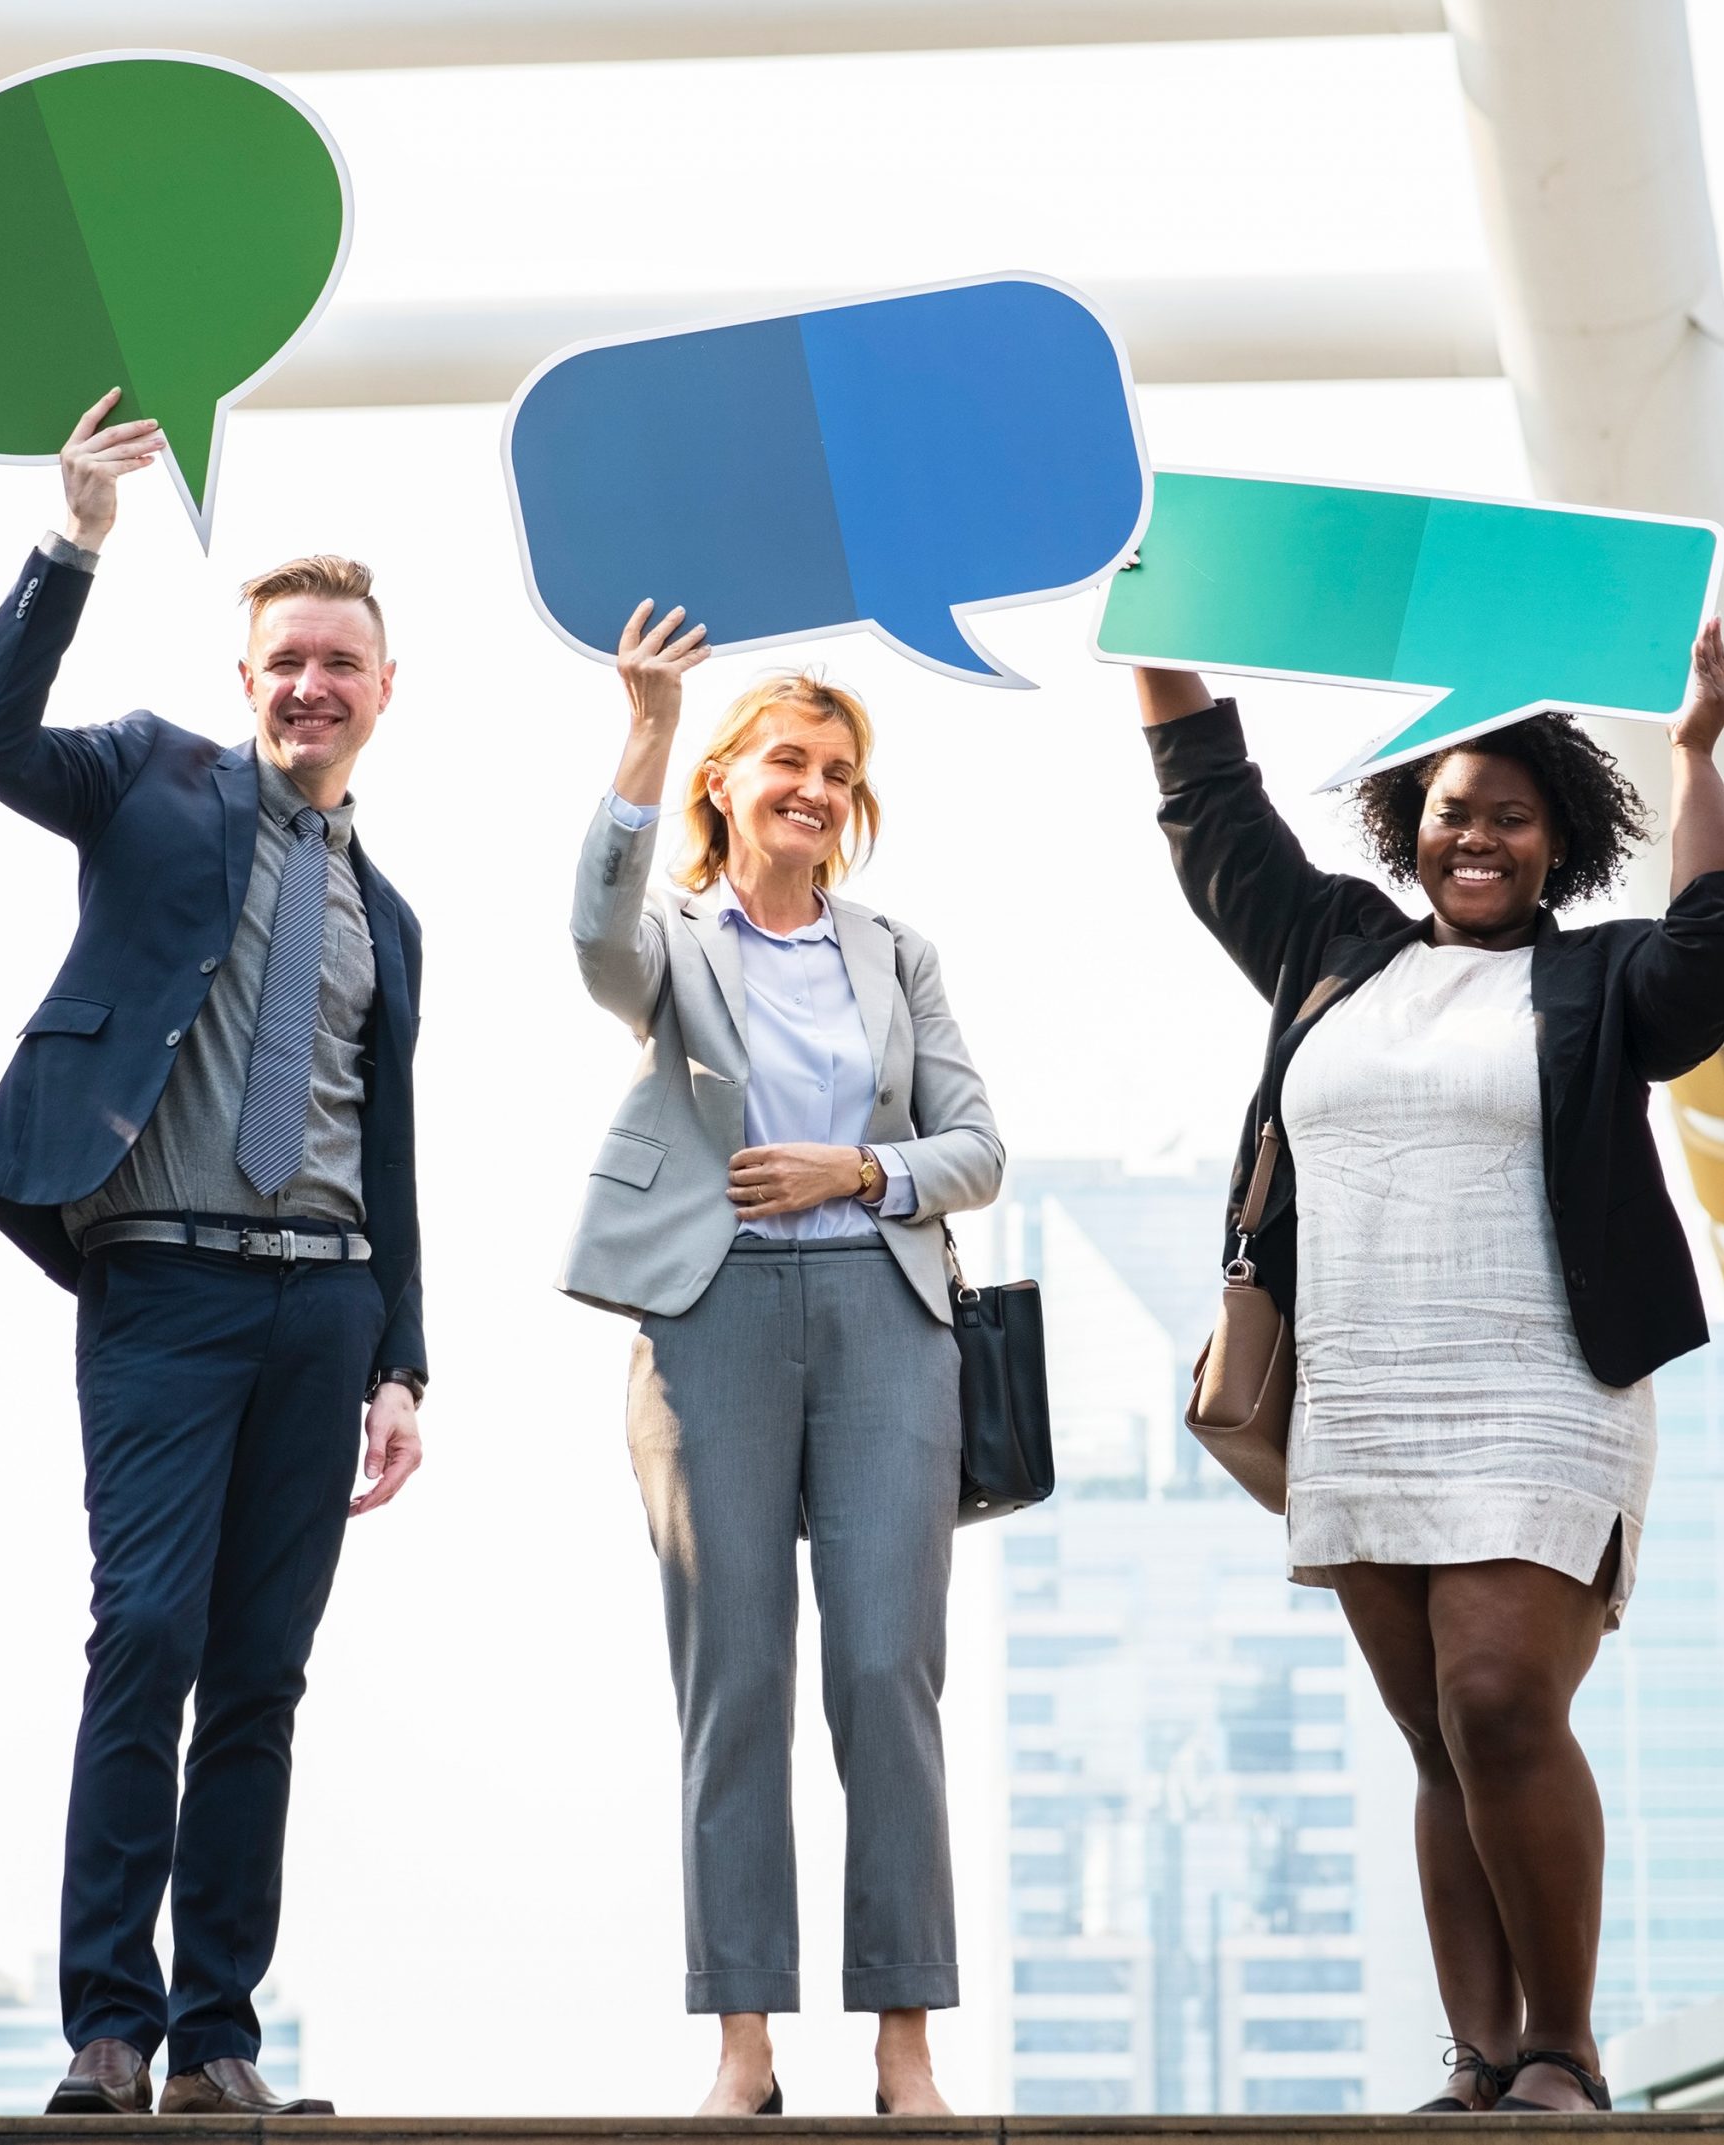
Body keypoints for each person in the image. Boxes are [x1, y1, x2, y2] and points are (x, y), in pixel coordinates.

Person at [1132, 625, 1724, 2113]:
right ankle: (1479, 2059)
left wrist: (1694, 752)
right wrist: (1151, 629)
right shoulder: (1330, 945)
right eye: (1452, 808)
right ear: (1409, 819)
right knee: (1432, 1734)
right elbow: (1208, 805)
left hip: (1543, 1389)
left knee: (1496, 1699)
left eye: (1510, 815)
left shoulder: (1603, 978)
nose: (1475, 834)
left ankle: (1565, 2049)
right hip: (1362, 1387)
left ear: (1558, 843)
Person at [0, 393, 427, 2118]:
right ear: (248, 682)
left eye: (341, 663)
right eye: (286, 658)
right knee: (144, 1629)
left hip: (326, 1304)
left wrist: (403, 1358)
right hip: (163, 1282)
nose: (311, 684)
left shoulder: (395, 914)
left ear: (384, 691)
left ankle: (221, 2036)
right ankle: (108, 2022)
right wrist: (73, 538)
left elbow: (390, 1143)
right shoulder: (147, 774)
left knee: (264, 1672)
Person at [564, 601, 1004, 2117]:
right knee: (732, 1679)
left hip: (886, 1323)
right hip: (711, 1321)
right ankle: (744, 2042)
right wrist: (645, 724)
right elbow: (591, 934)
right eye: (784, 760)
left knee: (887, 1672)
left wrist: (856, 1173)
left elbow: (977, 1146)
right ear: (728, 781)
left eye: (835, 768)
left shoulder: (898, 951)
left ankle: (904, 2044)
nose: (811, 786)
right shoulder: (672, 940)